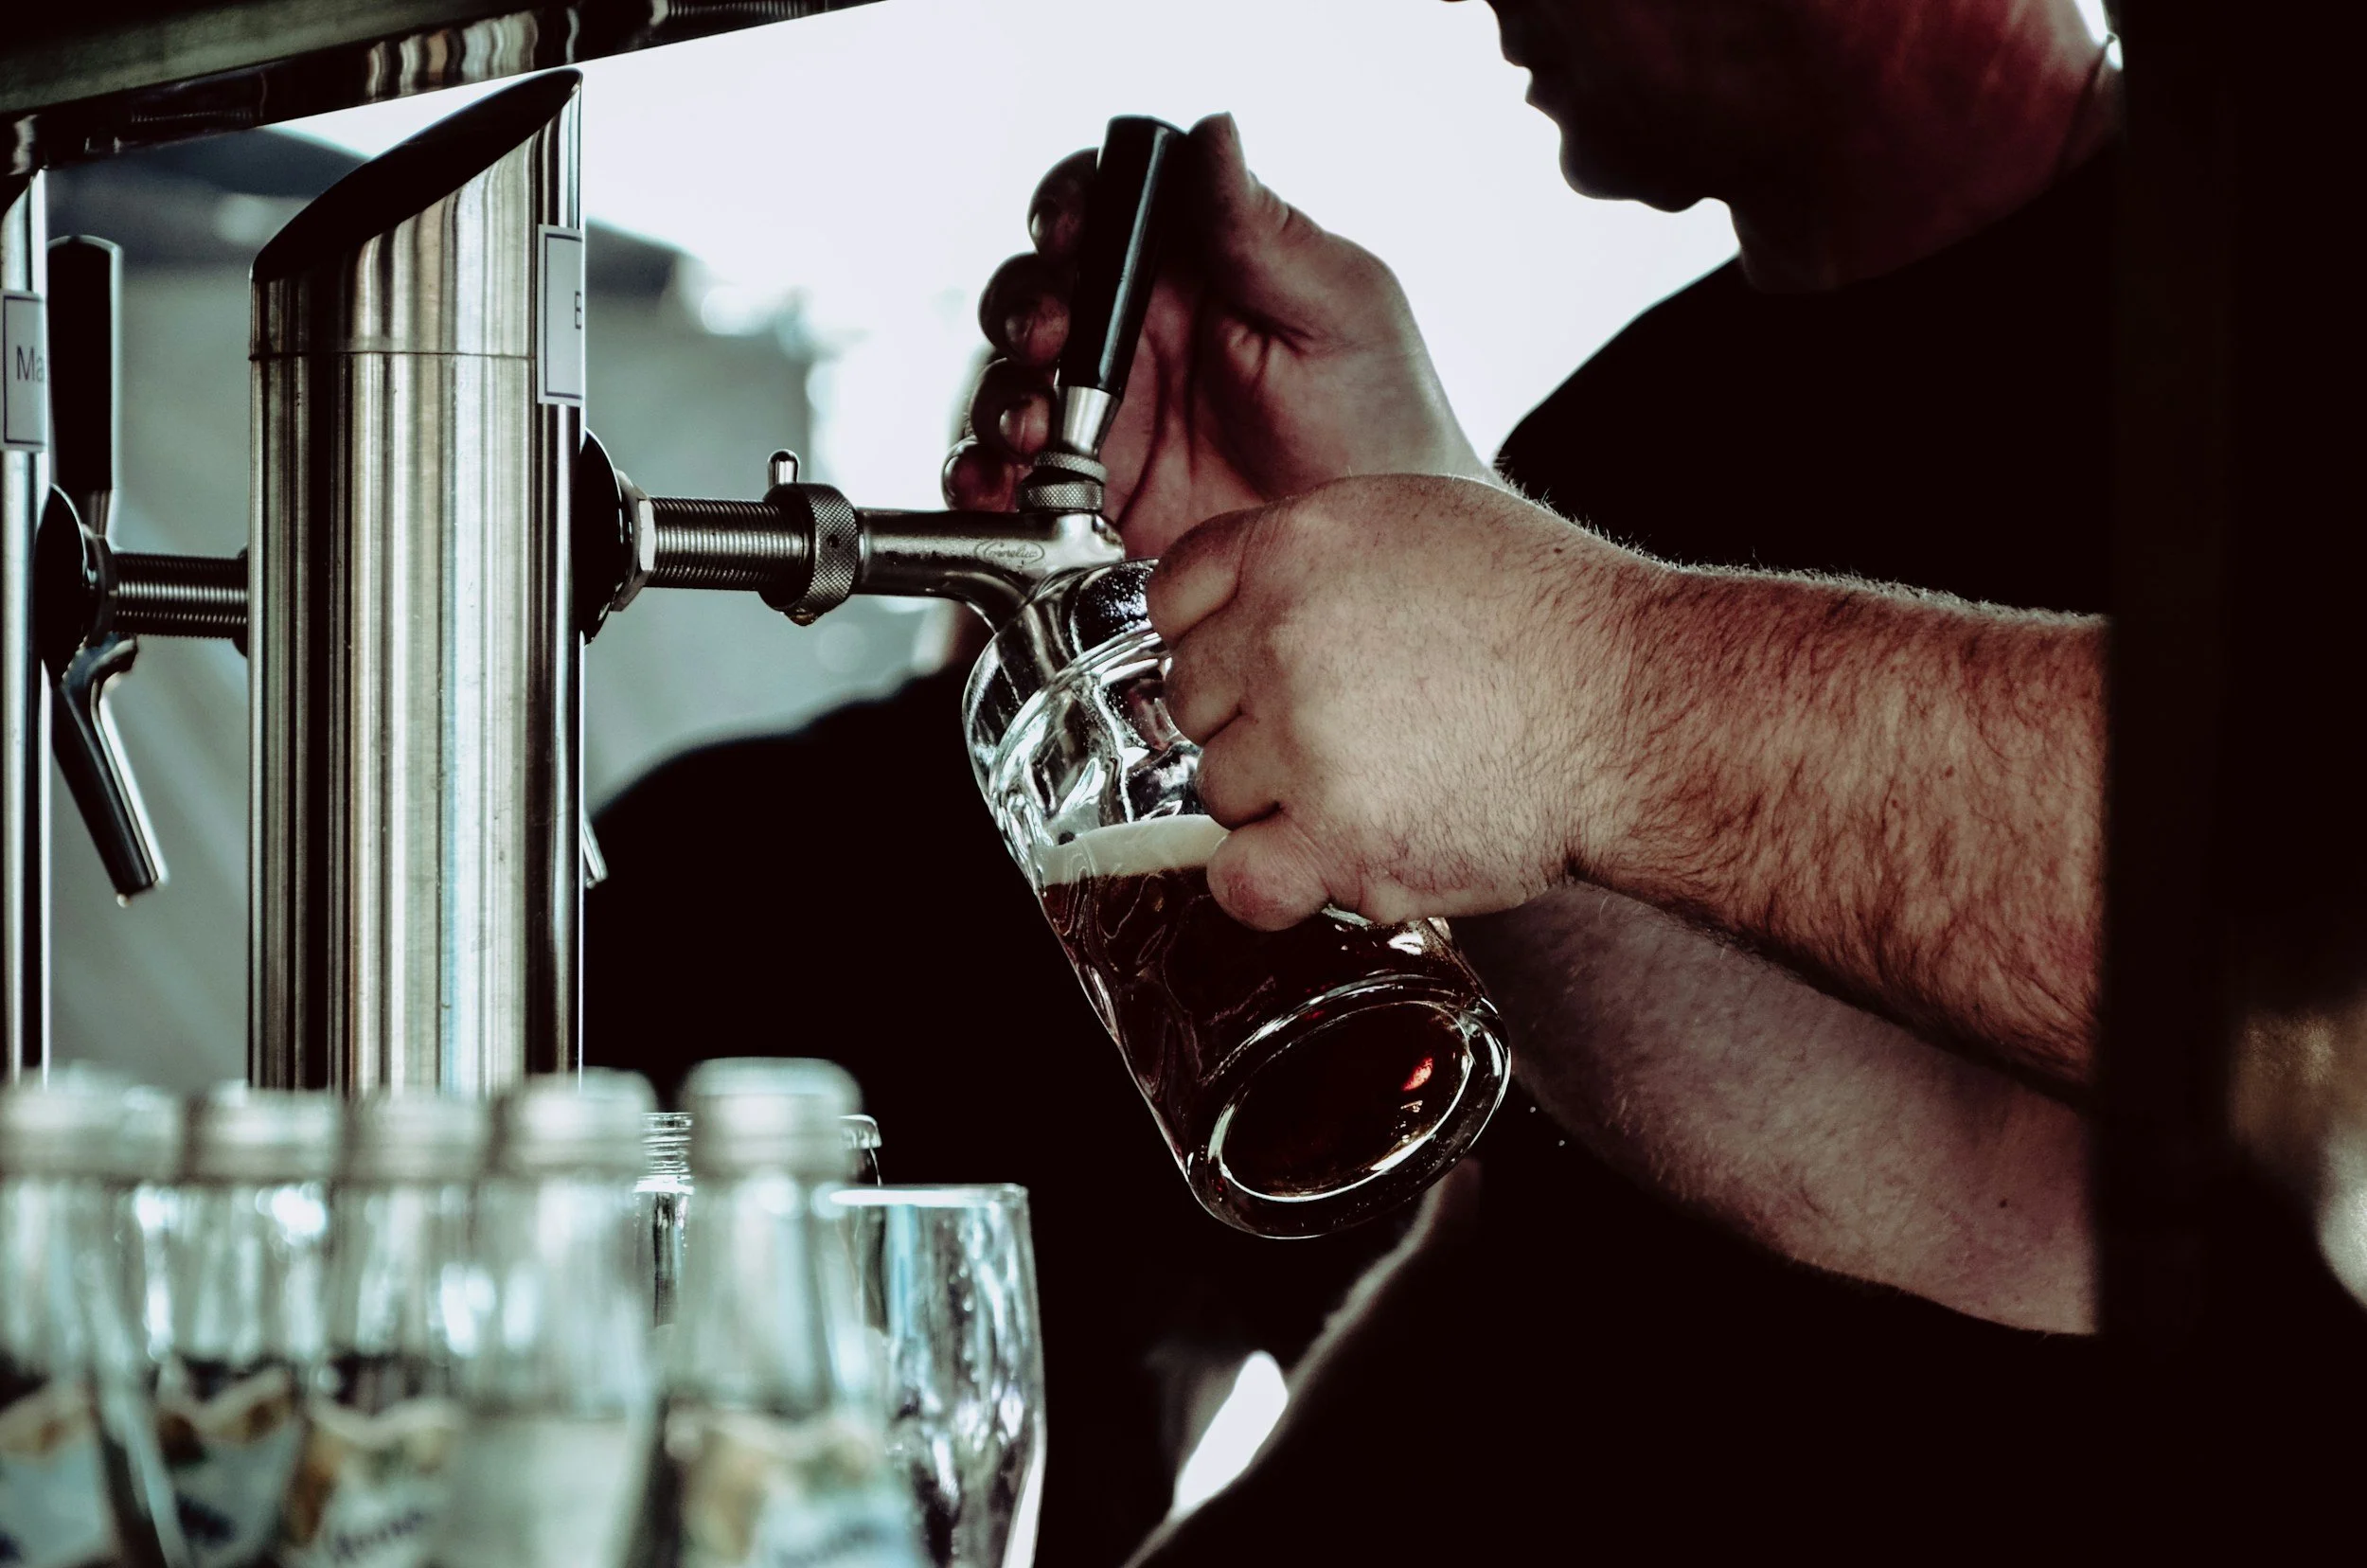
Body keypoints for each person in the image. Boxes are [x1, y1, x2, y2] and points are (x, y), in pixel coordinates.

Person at [596, 0, 2113, 1556]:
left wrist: (1579, 681)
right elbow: (1902, 1185)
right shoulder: (1623, 431)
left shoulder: (2272, 287)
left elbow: (2286, 953)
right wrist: (1411, 518)